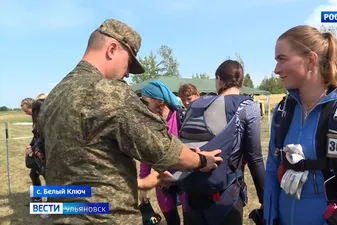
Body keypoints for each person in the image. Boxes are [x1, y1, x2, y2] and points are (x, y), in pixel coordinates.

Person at [37, 18, 222, 225]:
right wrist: (203, 161)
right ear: (112, 49)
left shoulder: (55, 96)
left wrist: (140, 183)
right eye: (129, 63)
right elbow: (165, 151)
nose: (126, 73)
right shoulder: (109, 93)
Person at [263, 25, 337, 225]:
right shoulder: (283, 112)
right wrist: (270, 219)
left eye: (282, 59)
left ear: (311, 60)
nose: (276, 70)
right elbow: (271, 170)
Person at [181, 60, 265, 225]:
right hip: (226, 196)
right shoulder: (247, 106)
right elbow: (255, 158)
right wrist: (264, 199)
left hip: (191, 196)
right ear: (241, 81)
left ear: (218, 79)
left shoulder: (195, 105)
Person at [139, 80, 188, 225]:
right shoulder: (148, 125)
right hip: (163, 186)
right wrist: (143, 186)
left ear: (159, 101)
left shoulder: (181, 119)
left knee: (190, 220)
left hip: (185, 182)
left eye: (145, 101)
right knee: (172, 221)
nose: (142, 105)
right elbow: (145, 156)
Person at [21, 97, 42, 205]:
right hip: (38, 150)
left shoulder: (42, 117)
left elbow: (44, 137)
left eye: (26, 111)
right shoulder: (35, 117)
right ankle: (37, 199)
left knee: (49, 177)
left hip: (45, 152)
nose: (26, 114)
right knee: (33, 174)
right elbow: (36, 135)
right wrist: (31, 144)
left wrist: (33, 149)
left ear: (32, 107)